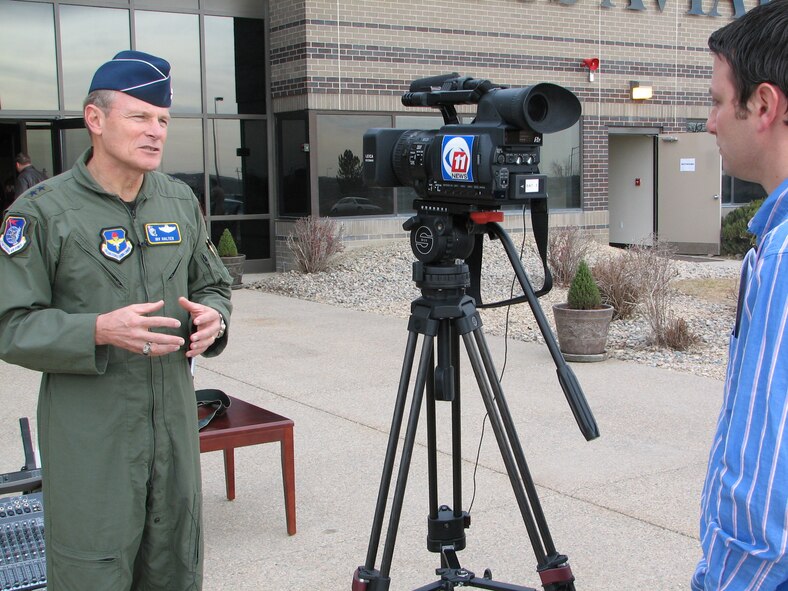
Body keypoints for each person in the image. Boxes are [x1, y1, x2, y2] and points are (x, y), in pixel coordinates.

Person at [0, 50, 233, 590]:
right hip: (92, 439)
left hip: (174, 432)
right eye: (139, 117)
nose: (155, 132)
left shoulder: (177, 201)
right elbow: (10, 323)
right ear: (96, 120)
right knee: (92, 570)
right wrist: (97, 330)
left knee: (174, 567)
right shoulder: (39, 213)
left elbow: (214, 285)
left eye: (163, 120)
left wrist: (214, 318)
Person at [693, 2, 788, 590]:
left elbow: (765, 497)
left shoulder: (782, 257)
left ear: (764, 105)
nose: (709, 121)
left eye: (718, 100)